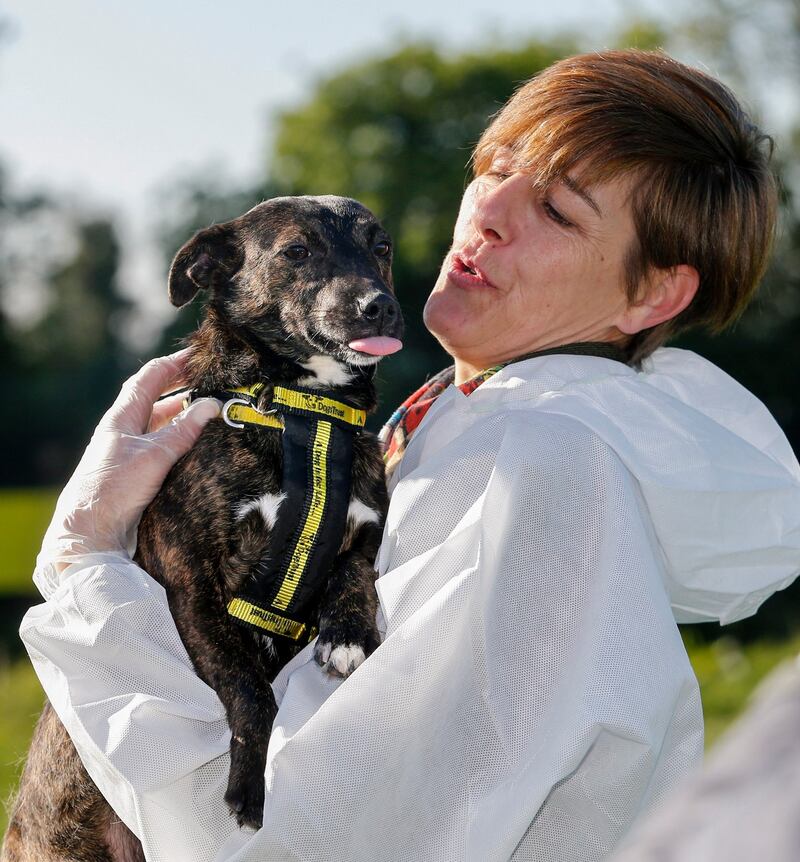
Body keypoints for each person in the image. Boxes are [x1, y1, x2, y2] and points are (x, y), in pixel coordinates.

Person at [18, 49, 800, 862]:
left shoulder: (538, 465)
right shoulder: (475, 426)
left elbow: (290, 835)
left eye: (559, 212)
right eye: (496, 165)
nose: (489, 209)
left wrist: (84, 561)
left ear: (653, 294)